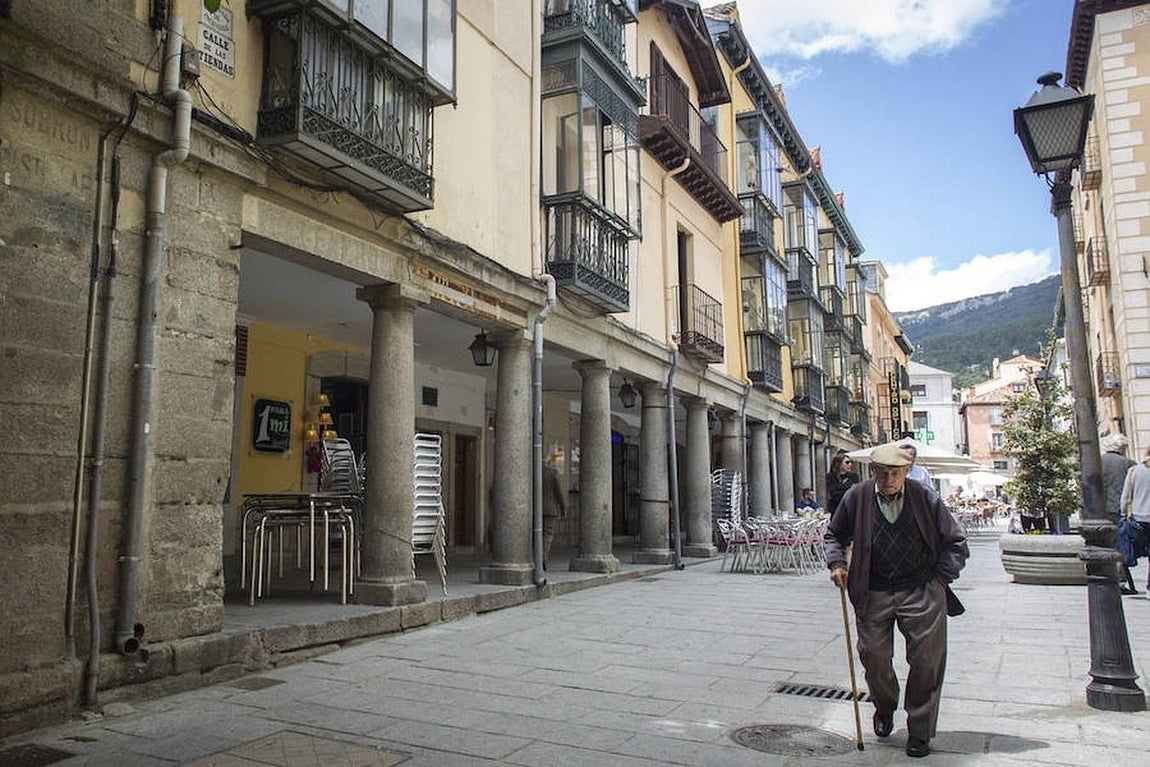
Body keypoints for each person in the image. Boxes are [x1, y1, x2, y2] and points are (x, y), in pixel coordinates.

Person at [825, 443, 969, 758]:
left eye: (896, 473)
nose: (889, 479)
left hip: (920, 589)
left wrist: (941, 580)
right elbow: (834, 534)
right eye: (883, 473)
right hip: (873, 590)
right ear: (872, 471)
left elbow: (956, 542)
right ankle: (884, 705)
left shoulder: (924, 497)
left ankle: (919, 731)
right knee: (874, 659)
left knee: (926, 663)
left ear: (906, 472)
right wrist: (837, 564)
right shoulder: (858, 496)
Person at [1101, 433, 1138, 594]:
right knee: (1120, 545)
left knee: (1104, 544)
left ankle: (1106, 575)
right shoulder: (1129, 464)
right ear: (1122, 448)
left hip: (1100, 511)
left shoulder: (1097, 462)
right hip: (1120, 510)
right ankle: (1120, 580)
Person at [1119, 443, 1150, 592]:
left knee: (1133, 549)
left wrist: (1124, 514)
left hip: (1138, 518)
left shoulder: (1134, 471)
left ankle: (1126, 580)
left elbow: (1125, 497)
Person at [542, 457, 567, 570]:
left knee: (534, 535)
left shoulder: (531, 472)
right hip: (550, 509)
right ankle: (543, 557)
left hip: (533, 510)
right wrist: (562, 508)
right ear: (548, 462)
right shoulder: (552, 473)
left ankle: (534, 558)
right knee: (547, 535)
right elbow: (558, 492)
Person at [827, 450, 860, 514]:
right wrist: (848, 488)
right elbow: (833, 493)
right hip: (836, 509)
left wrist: (841, 489)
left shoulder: (853, 476)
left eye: (851, 462)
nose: (850, 464)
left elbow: (855, 492)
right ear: (838, 464)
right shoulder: (831, 476)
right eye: (847, 462)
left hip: (850, 508)